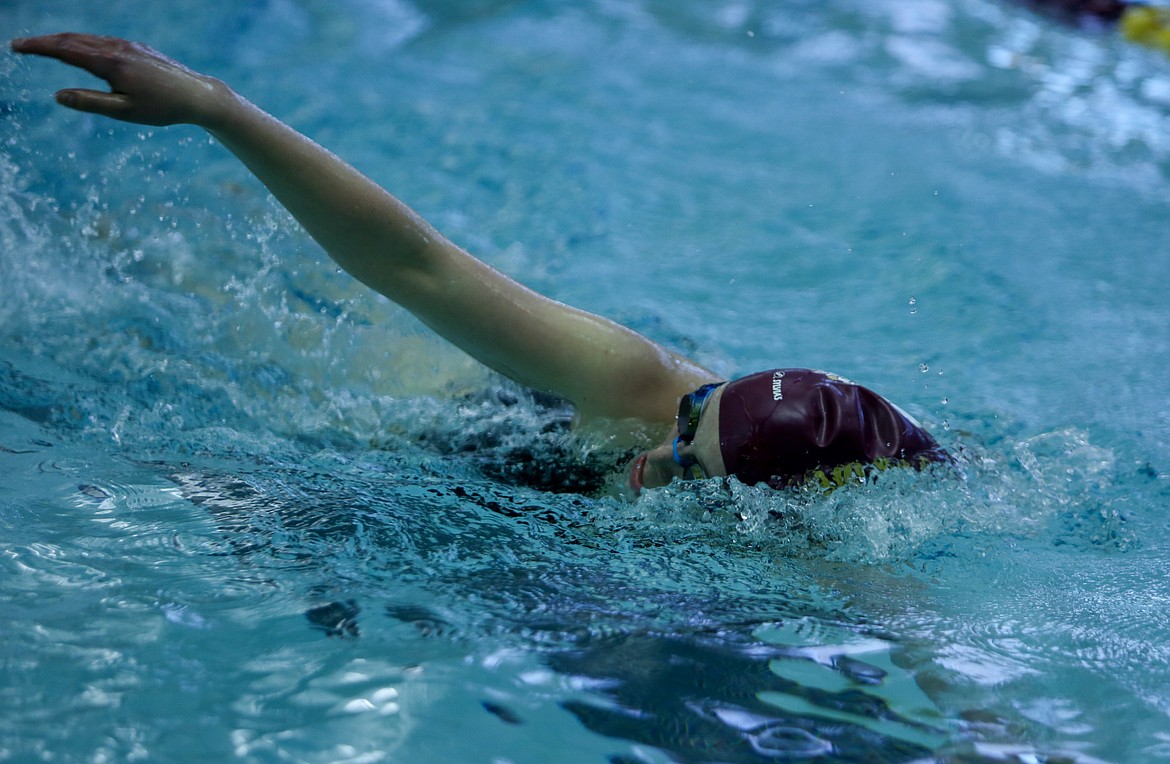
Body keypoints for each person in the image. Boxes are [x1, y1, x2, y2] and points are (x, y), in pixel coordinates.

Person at [11, 33, 948, 495]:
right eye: (689, 424)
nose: (656, 463)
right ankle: (164, 250)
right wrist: (218, 108)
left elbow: (921, 636)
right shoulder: (638, 389)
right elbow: (415, 264)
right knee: (212, 328)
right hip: (513, 416)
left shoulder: (848, 522)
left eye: (693, 473)